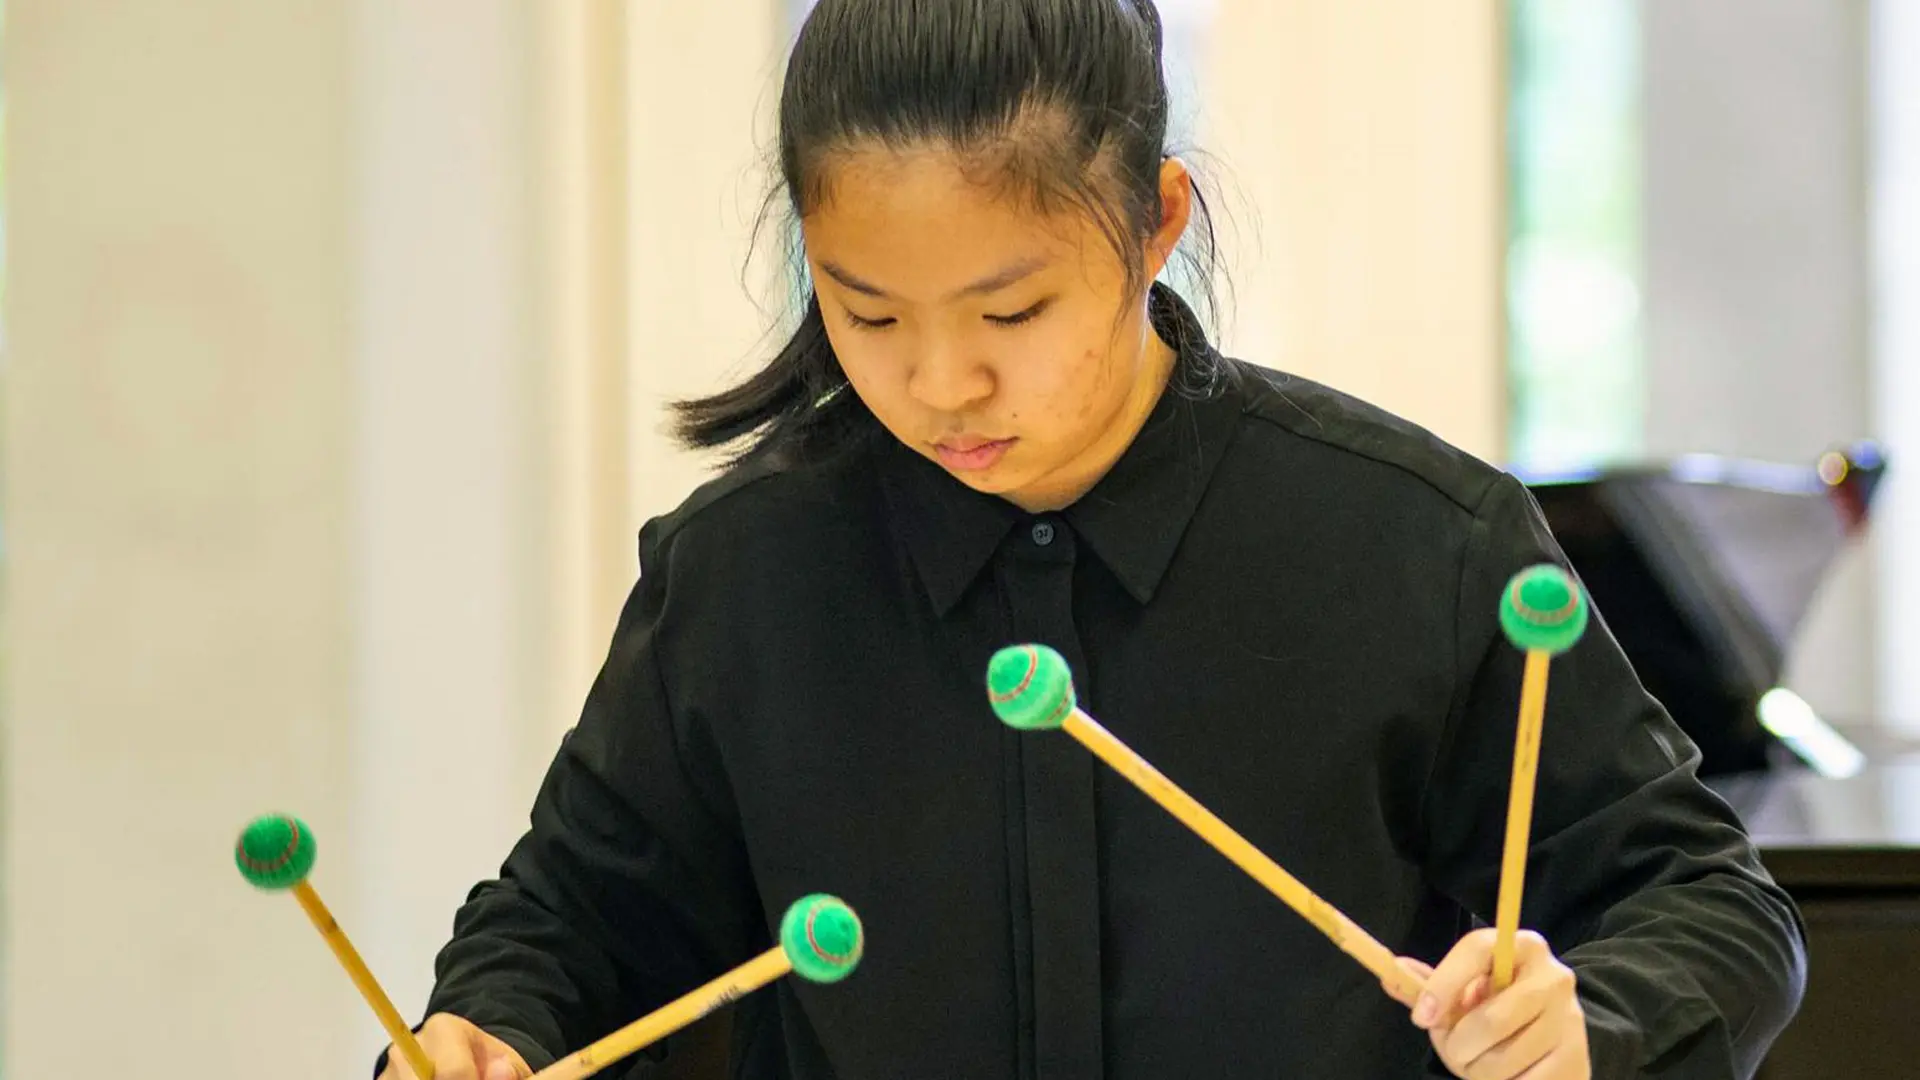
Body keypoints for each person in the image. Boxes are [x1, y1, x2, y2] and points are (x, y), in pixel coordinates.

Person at [377, 1, 1805, 1077]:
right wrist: (482, 1032)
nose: (940, 384)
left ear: (1155, 222)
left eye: (1011, 314)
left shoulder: (1413, 547)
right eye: (865, 313)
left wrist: (1585, 1023)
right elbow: (571, 922)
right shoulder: (744, 575)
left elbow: (1709, 904)